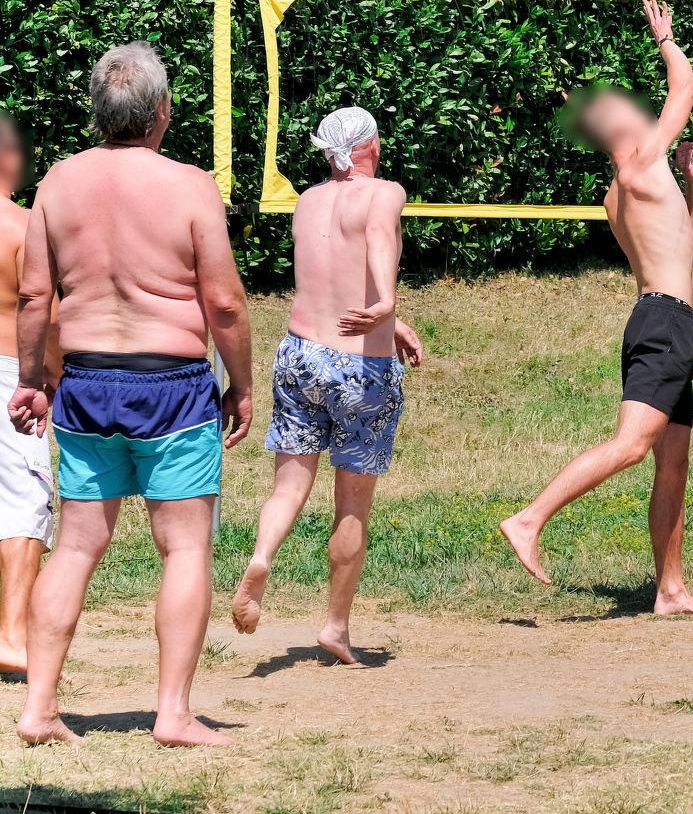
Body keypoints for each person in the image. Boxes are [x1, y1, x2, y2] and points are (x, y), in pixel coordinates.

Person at [9, 43, 255, 747]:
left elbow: (35, 296)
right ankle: (173, 713)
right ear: (162, 113)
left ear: (98, 112)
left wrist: (33, 380)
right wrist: (240, 385)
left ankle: (40, 708)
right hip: (170, 387)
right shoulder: (189, 186)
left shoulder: (58, 182)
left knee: (78, 546)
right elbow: (227, 305)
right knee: (184, 549)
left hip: (85, 383)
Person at [499, 1, 693, 618]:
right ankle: (530, 518)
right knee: (632, 447)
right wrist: (667, 40)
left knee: (672, 465)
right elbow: (687, 84)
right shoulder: (642, 160)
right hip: (665, 323)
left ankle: (671, 588)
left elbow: (692, 246)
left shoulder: (619, 191)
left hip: (659, 318)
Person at [232, 108, 426, 663]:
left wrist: (394, 323)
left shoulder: (309, 200)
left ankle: (263, 555)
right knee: (352, 506)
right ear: (368, 145)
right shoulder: (385, 192)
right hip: (357, 365)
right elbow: (378, 240)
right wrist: (387, 303)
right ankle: (336, 625)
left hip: (299, 353)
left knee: (288, 488)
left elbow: (331, 276)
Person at [0, 110, 54, 674]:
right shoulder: (22, 227)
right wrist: (51, 376)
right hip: (8, 373)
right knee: (24, 501)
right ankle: (12, 637)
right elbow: (46, 312)